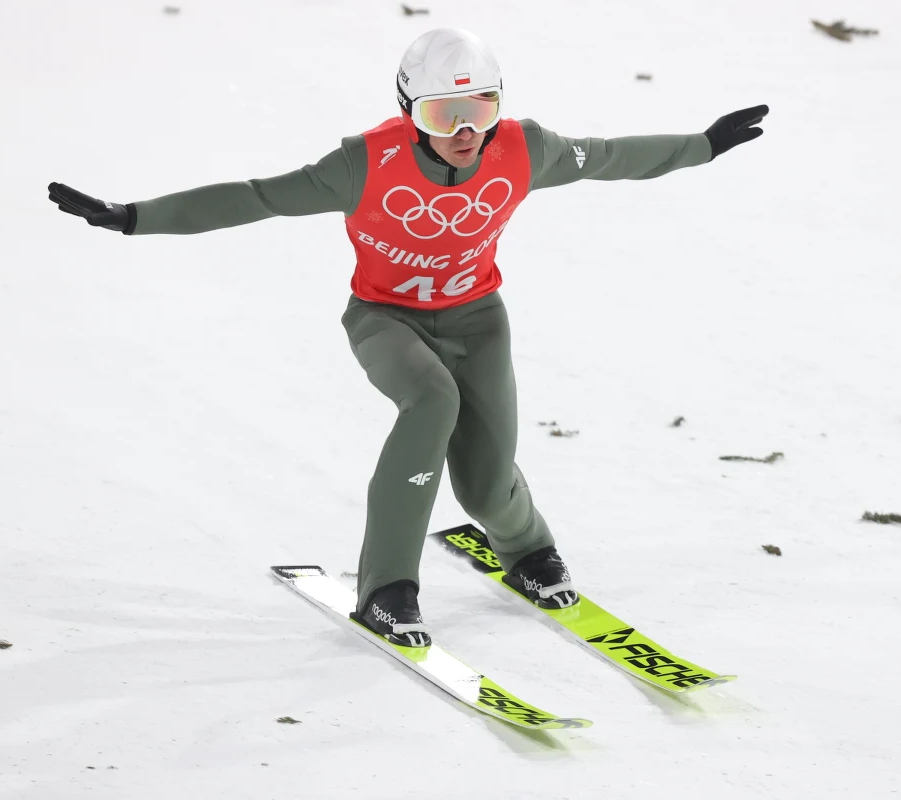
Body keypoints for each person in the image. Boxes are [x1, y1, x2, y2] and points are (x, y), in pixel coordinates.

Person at [48, 28, 769, 648]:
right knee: (430, 403)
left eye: (480, 106)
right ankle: (388, 586)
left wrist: (701, 145)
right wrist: (135, 216)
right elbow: (257, 197)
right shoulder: (365, 164)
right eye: (443, 111)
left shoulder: (524, 150)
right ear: (409, 110)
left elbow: (607, 155)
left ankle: (526, 547)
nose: (465, 128)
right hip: (384, 321)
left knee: (486, 482)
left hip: (479, 321)